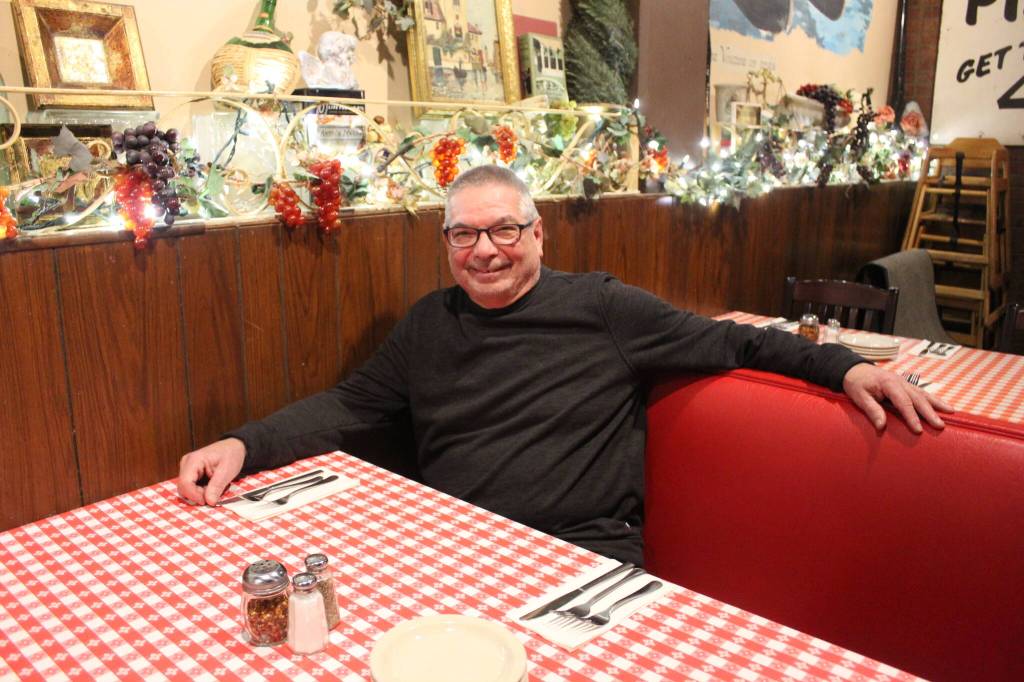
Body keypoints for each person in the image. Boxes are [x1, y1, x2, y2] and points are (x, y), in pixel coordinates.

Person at [179, 165, 951, 565]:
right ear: (446, 244)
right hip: (456, 545)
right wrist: (244, 443)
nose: (484, 250)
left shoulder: (604, 309)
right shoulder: (427, 324)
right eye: (463, 235)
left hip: (582, 557)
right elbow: (348, 405)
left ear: (539, 234)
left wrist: (845, 369)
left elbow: (739, 342)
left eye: (504, 230)